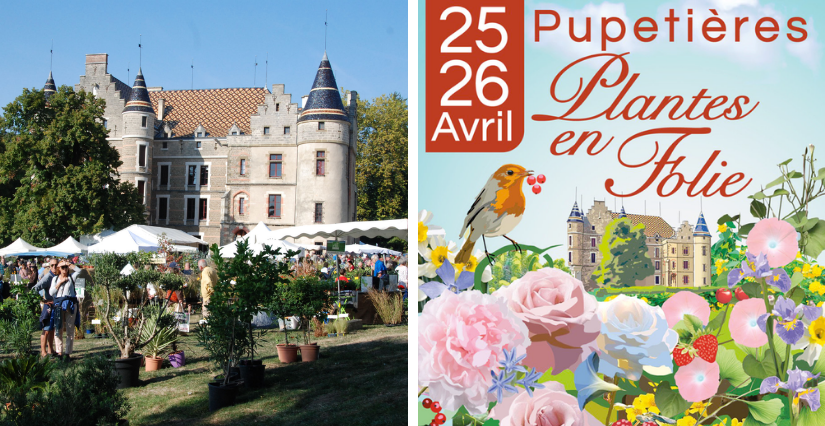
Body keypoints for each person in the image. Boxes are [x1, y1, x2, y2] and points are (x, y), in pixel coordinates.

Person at [50, 260, 82, 361]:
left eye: (66, 267)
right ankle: (59, 351)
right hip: (59, 304)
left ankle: (67, 352)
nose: (65, 269)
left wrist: (70, 265)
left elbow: (79, 271)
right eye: (62, 267)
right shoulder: (55, 279)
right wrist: (59, 283)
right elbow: (51, 292)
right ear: (59, 269)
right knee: (58, 328)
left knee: (69, 329)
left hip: (70, 304)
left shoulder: (71, 277)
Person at [32, 259, 59, 357]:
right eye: (52, 265)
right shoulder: (48, 277)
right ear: (49, 267)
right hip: (48, 306)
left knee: (52, 329)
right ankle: (43, 351)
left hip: (55, 306)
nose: (54, 267)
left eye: (56, 265)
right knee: (46, 329)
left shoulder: (57, 276)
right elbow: (34, 289)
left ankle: (50, 349)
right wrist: (44, 300)